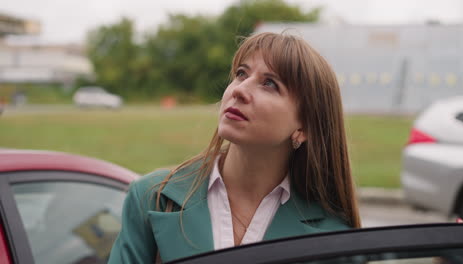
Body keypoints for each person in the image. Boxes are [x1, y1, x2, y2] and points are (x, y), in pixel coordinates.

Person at [108, 32, 361, 264]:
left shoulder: (334, 238)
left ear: (303, 127)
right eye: (242, 73)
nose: (240, 90)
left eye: (270, 83)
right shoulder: (151, 197)